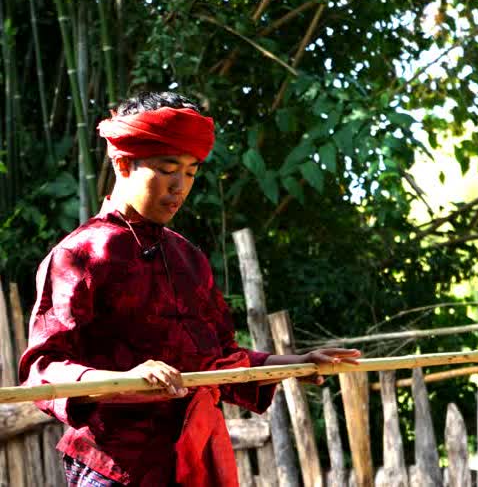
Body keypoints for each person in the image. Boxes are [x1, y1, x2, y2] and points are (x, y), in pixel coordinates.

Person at [19, 91, 360, 487]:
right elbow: (43, 368)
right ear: (124, 163)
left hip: (195, 458)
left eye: (191, 172)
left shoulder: (189, 258)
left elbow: (219, 360)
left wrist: (297, 364)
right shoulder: (79, 254)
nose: (179, 187)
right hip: (115, 468)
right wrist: (124, 378)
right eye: (168, 169)